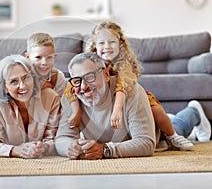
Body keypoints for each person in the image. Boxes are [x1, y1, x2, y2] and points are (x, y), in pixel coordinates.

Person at [64, 21, 193, 151]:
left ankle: (180, 127)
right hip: (119, 107)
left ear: (120, 44)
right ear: (94, 46)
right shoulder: (88, 66)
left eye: (112, 42)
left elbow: (122, 87)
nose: (107, 47)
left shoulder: (123, 65)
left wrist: (117, 109)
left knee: (161, 116)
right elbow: (71, 89)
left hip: (132, 100)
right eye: (102, 43)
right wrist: (76, 112)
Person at [55, 53, 210, 160]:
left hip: (159, 135)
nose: (83, 87)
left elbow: (146, 143)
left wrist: (106, 150)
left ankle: (194, 111)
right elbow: (61, 138)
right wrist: (70, 146)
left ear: (106, 75)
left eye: (89, 77)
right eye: (77, 80)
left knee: (179, 127)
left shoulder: (129, 90)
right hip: (130, 128)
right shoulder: (71, 97)